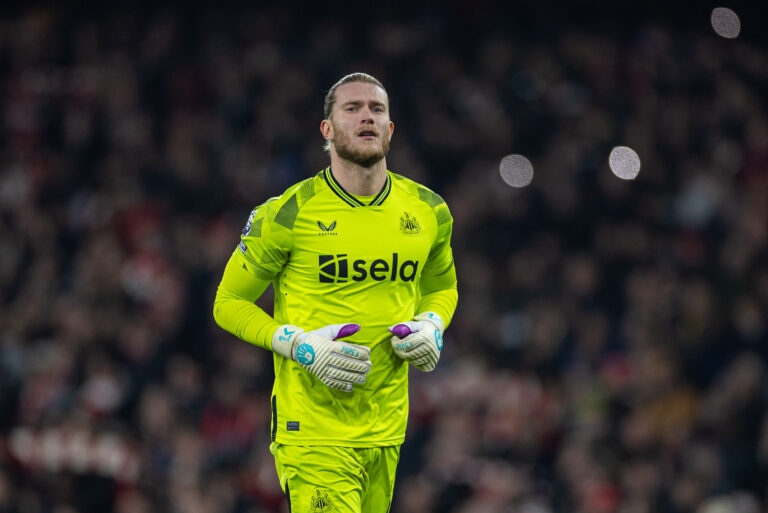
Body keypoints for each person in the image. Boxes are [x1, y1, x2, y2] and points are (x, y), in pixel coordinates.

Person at [213, 72, 458, 512]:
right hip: (314, 430)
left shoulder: (429, 210)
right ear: (327, 130)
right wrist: (298, 344)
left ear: (390, 129)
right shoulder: (287, 214)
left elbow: (443, 287)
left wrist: (434, 324)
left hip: (387, 427)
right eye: (352, 108)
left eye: (377, 109)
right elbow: (227, 303)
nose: (367, 116)